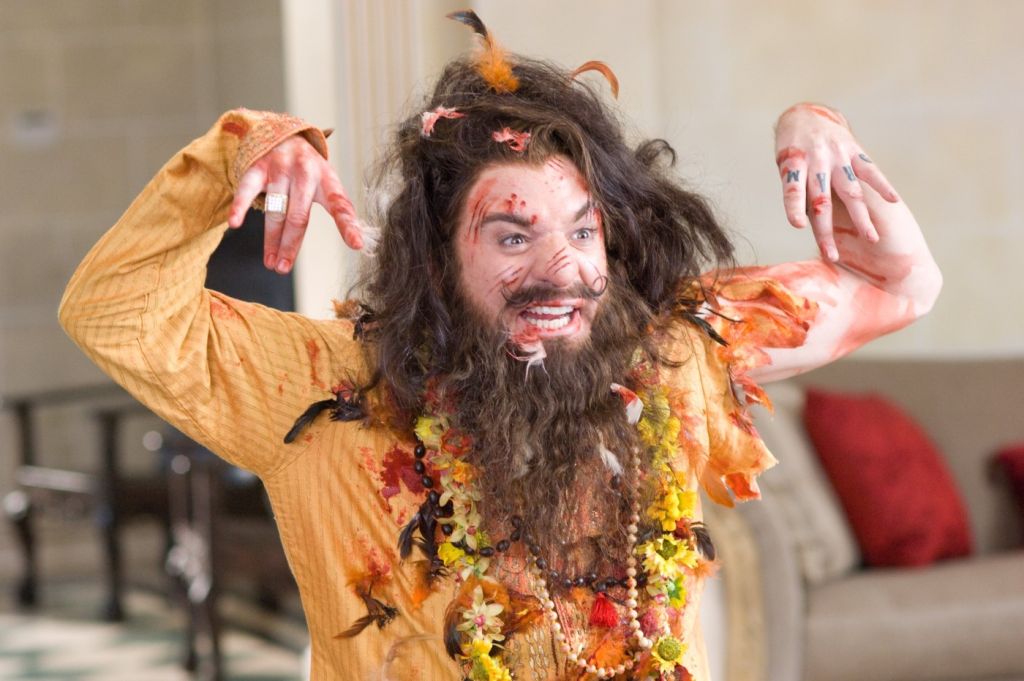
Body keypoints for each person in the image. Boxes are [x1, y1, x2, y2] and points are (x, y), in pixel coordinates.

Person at [59, 12, 941, 681]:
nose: (563, 271)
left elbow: (903, 285)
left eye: (583, 231)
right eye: (513, 237)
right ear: (437, 262)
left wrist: (817, 125)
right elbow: (113, 311)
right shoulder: (326, 388)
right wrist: (241, 150)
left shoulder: (671, 353)